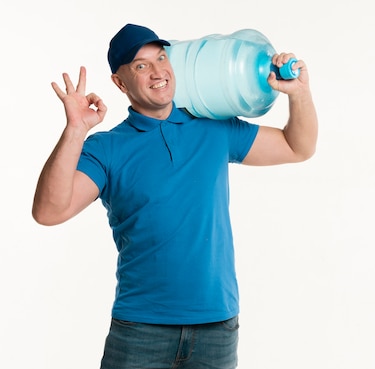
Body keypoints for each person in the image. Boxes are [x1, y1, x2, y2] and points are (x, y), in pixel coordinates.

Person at [32, 23, 317, 369]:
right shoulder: (107, 148)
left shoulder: (213, 126)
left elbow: (297, 146)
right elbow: (49, 211)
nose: (158, 72)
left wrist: (299, 94)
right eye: (141, 65)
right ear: (120, 83)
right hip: (140, 331)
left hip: (216, 329)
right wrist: (75, 130)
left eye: (161, 58)